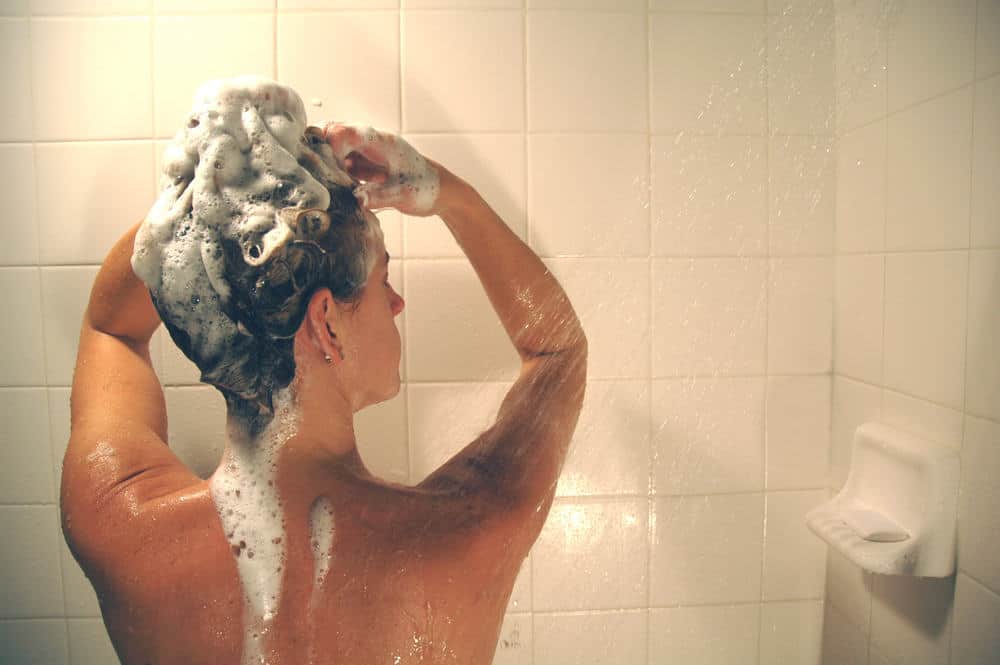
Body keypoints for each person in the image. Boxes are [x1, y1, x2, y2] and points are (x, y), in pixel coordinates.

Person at [60, 107, 588, 665]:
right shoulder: (464, 534)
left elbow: (110, 328)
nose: (397, 303)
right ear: (327, 322)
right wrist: (447, 193)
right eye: (384, 279)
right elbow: (558, 352)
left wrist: (213, 202)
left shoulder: (123, 525)